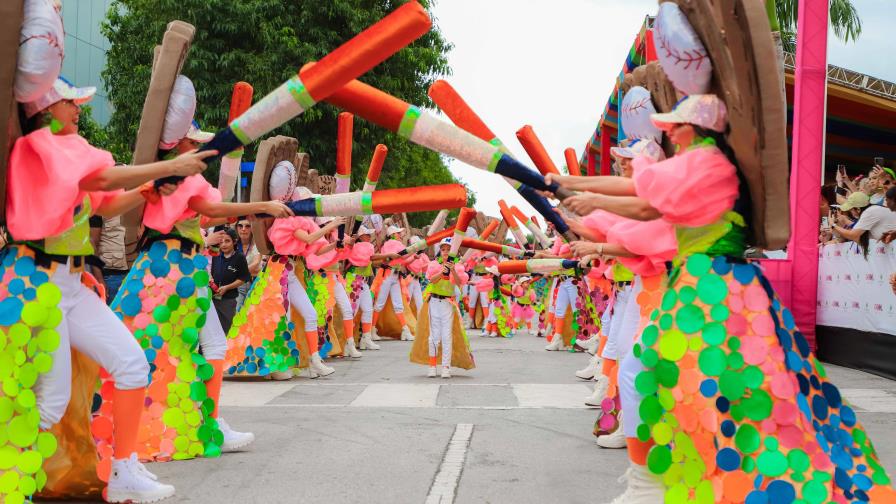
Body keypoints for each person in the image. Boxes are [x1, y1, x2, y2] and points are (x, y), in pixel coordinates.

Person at [553, 94, 895, 502]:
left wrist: (584, 194)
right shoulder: (703, 160)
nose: (669, 131)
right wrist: (580, 191)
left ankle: (672, 480)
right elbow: (643, 199)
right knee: (651, 374)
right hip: (703, 285)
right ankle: (657, 477)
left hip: (711, 286)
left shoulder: (705, 162)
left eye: (676, 125)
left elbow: (644, 202)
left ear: (696, 129)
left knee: (720, 388)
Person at [7, 77, 213, 503]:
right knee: (49, 402)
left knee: (133, 364)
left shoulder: (70, 150)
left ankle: (123, 472)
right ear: (44, 110)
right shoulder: (37, 148)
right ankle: (12, 478)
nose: (78, 108)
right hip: (35, 283)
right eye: (69, 102)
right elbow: (100, 182)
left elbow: (106, 202)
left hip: (73, 284)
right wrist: (166, 168)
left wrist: (146, 189)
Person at [410, 238, 474, 378]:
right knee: (434, 336)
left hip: (447, 304)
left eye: (448, 249)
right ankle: (432, 366)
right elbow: (431, 280)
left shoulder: (457, 266)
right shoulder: (434, 265)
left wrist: (452, 271)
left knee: (446, 336)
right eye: (443, 249)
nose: (445, 252)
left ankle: (446, 367)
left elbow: (459, 283)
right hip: (433, 302)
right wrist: (442, 271)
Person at [832, 190, 896, 257]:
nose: (851, 213)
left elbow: (853, 235)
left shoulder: (870, 211)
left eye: (851, 210)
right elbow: (860, 240)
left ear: (858, 209)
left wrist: (834, 225)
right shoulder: (873, 209)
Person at [211, 227, 251, 333]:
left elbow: (243, 278)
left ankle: (227, 348)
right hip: (213, 298)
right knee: (213, 328)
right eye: (221, 241)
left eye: (227, 241)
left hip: (228, 300)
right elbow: (212, 273)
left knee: (227, 328)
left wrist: (227, 287)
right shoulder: (216, 255)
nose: (223, 244)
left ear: (234, 241)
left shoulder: (239, 257)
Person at [235, 218, 262, 310]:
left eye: (247, 226)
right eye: (240, 226)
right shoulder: (232, 245)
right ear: (236, 228)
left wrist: (235, 272)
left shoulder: (257, 244)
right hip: (238, 285)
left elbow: (256, 263)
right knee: (235, 313)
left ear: (252, 229)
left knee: (251, 315)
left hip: (255, 284)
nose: (243, 229)